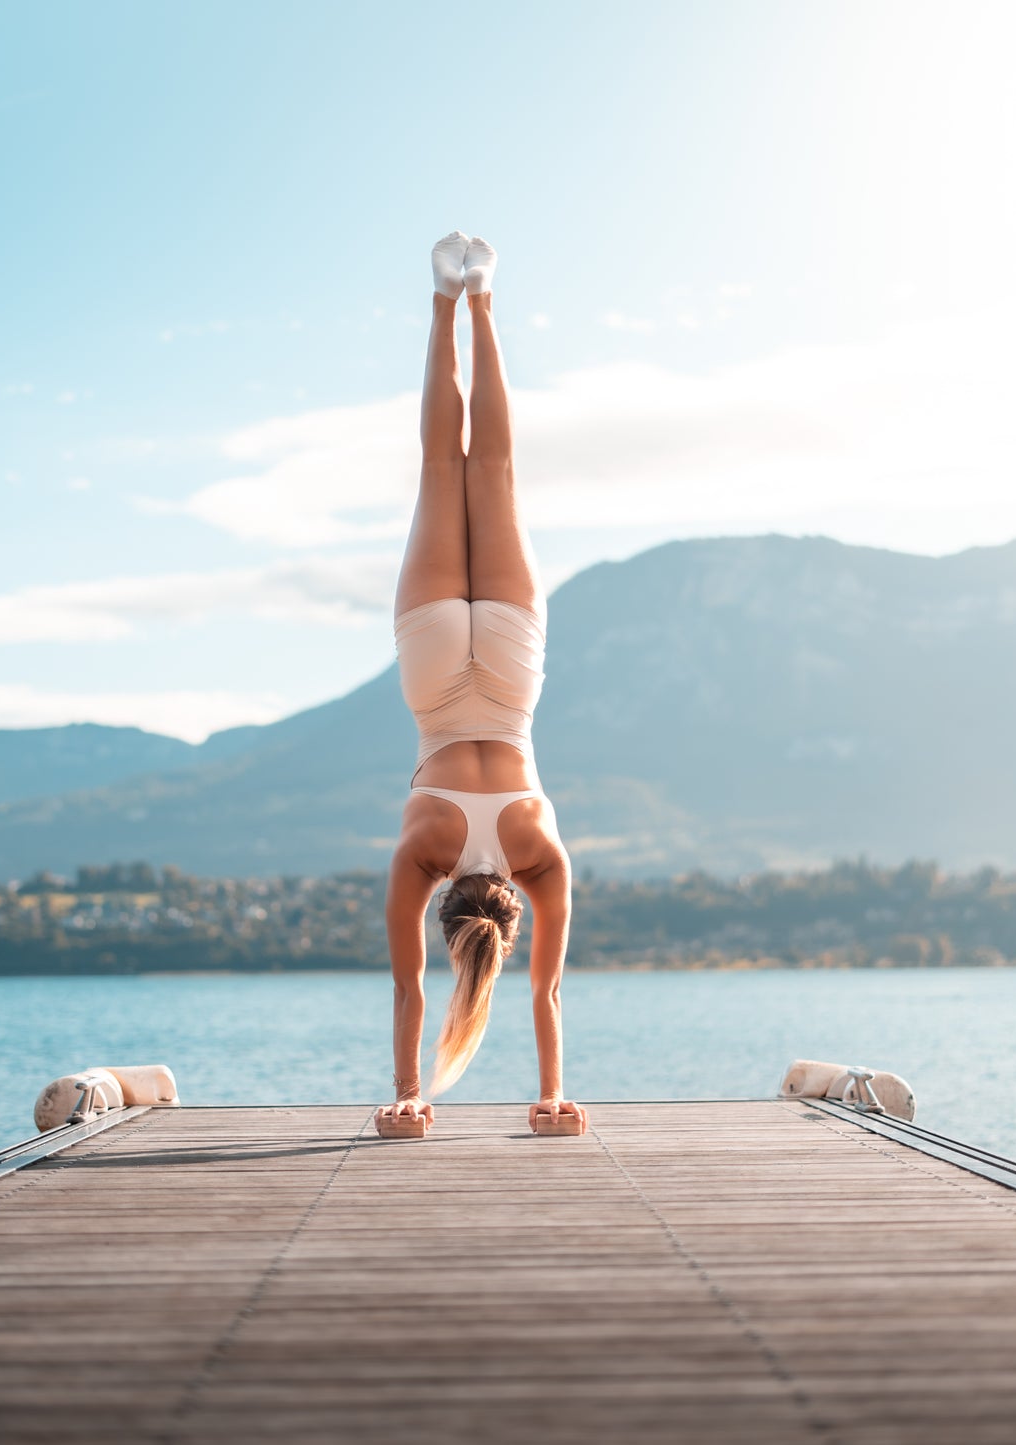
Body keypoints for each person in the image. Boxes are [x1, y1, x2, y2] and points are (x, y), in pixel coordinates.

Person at [375, 232, 587, 1138]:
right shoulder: (422, 849)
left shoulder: (539, 853)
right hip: (433, 673)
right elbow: (407, 986)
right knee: (440, 470)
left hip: (506, 675)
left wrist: (553, 1094)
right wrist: (408, 1091)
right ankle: (443, 299)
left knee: (492, 470)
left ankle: (485, 299)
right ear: (446, 912)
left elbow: (546, 992)